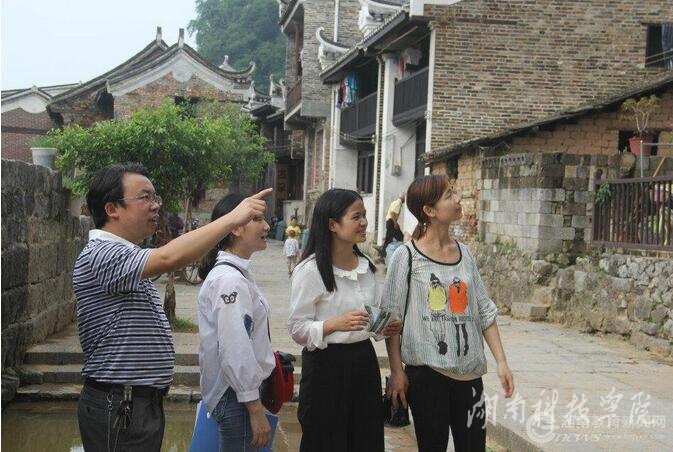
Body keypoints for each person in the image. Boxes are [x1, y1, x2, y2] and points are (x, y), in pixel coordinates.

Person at [73, 162, 271, 452]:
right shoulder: (102, 254)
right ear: (112, 209)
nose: (155, 205)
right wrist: (231, 219)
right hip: (119, 403)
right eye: (145, 197)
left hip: (135, 402)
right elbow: (169, 258)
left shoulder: (126, 254)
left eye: (155, 197)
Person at [382, 175, 514, 452]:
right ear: (429, 210)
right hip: (427, 375)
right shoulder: (406, 256)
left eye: (454, 192)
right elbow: (392, 320)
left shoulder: (465, 254)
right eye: (449, 195)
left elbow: (484, 310)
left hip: (469, 376)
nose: (458, 199)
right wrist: (396, 371)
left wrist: (502, 362)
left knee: (474, 447)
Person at [288, 188, 402, 452]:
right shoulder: (310, 270)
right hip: (325, 367)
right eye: (356, 217)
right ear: (332, 224)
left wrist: (384, 325)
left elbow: (368, 317)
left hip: (363, 362)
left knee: (365, 438)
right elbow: (296, 328)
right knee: (324, 440)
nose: (364, 223)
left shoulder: (366, 266)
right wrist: (333, 325)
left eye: (364, 215)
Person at [197, 193, 275, 451]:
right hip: (236, 397)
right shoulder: (229, 279)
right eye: (258, 220)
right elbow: (234, 346)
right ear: (236, 228)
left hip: (238, 394)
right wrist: (254, 407)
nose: (266, 227)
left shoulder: (237, 274)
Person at [379, 193, 405, 258]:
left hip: (389, 222)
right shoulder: (398, 203)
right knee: (401, 238)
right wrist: (395, 223)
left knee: (388, 239)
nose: (405, 200)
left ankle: (382, 255)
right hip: (391, 222)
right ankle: (402, 255)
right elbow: (392, 213)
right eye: (405, 198)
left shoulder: (394, 202)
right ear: (403, 198)